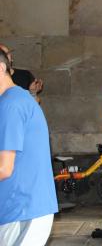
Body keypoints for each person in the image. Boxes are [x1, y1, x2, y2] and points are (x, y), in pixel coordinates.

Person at [0, 48, 57, 246]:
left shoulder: (10, 105)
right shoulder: (16, 99)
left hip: (23, 208)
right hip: (20, 208)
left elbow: (4, 168)